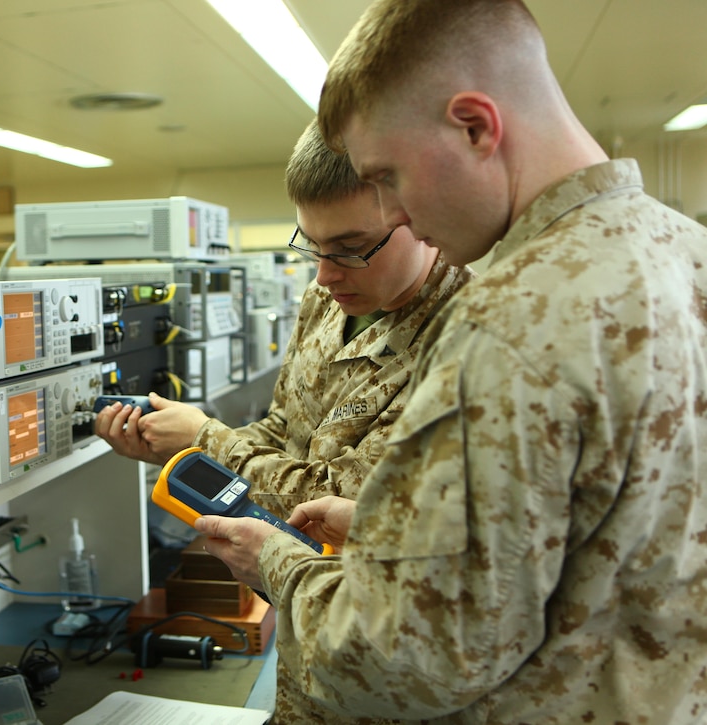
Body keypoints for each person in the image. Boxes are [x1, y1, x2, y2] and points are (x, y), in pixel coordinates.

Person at [196, 1, 707, 723]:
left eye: (390, 176)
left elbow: (409, 659)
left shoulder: (511, 318)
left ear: (475, 126)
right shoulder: (686, 252)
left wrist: (275, 562)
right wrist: (386, 531)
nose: (399, 215)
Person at [96, 121, 473, 722]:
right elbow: (281, 428)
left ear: (422, 217)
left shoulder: (468, 340)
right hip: (300, 637)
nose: (325, 274)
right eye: (313, 245)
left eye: (350, 247)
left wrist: (204, 437)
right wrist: (177, 454)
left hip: (384, 656)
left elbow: (349, 503)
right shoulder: (328, 298)